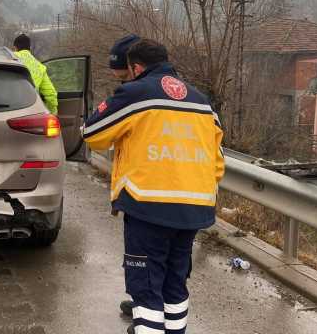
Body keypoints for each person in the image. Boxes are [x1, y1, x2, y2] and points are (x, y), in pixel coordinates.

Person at [82, 37, 225, 334]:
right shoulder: (201, 100)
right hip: (193, 210)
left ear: (135, 67)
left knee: (146, 288)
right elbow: (218, 161)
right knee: (175, 285)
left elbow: (93, 133)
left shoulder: (135, 93)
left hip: (149, 206)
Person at [13, 34, 58, 114]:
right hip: (31, 111)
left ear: (15, 47)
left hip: (9, 109)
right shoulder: (39, 67)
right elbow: (51, 94)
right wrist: (52, 113)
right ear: (29, 48)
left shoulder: (8, 59)